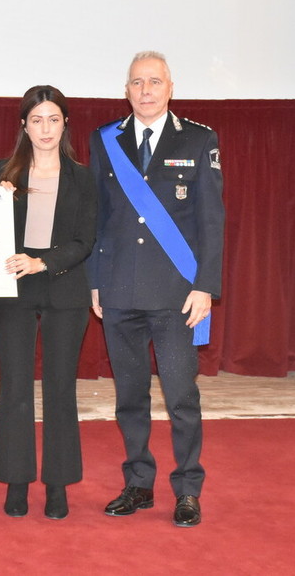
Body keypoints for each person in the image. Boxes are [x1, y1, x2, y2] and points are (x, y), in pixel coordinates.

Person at [88, 51, 224, 528]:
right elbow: (97, 216)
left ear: (170, 88)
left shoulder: (198, 139)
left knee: (181, 397)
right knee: (130, 397)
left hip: (176, 296)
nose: (145, 91)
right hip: (119, 290)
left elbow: (211, 220)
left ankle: (187, 489)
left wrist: (205, 286)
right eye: (136, 83)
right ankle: (138, 483)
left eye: (154, 82)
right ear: (126, 90)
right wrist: (95, 281)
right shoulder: (106, 139)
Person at [0, 85, 96, 520]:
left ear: (65, 123)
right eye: (36, 120)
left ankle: (57, 484)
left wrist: (42, 262)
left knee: (60, 389)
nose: (45, 128)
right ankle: (16, 481)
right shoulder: (3, 172)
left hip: (64, 289)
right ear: (24, 126)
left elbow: (84, 240)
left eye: (53, 119)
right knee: (15, 387)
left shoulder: (83, 177)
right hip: (12, 290)